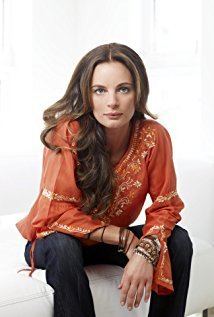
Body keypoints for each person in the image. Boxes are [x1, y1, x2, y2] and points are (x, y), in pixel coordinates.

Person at [16, 42, 193, 317]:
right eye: (100, 90)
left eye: (123, 89)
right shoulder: (67, 132)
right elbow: (54, 214)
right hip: (54, 241)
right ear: (87, 94)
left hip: (106, 245)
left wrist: (146, 251)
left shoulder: (154, 137)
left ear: (138, 92)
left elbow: (166, 206)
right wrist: (123, 237)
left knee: (179, 242)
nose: (112, 102)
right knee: (63, 246)